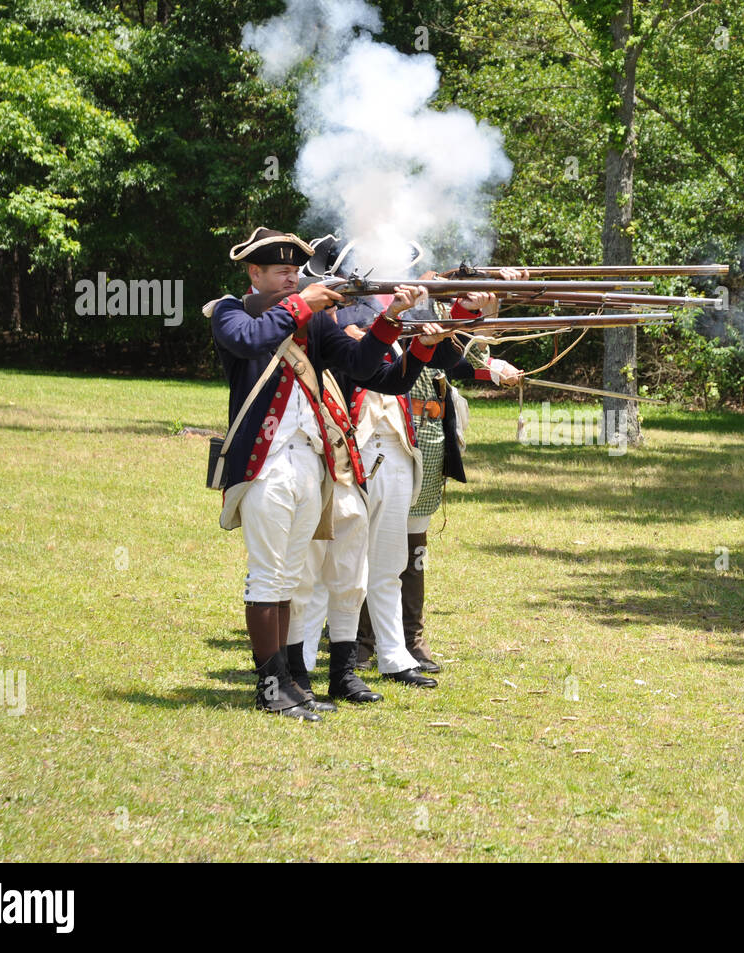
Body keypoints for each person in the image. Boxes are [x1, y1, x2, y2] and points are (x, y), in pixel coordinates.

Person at [207, 226, 449, 721]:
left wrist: (398, 323)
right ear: (255, 273)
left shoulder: (313, 322)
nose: (291, 278)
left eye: (295, 271)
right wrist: (304, 304)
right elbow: (248, 340)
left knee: (293, 579)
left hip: (311, 464)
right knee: (269, 579)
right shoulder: (231, 309)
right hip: (264, 464)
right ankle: (271, 685)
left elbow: (369, 370)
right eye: (281, 271)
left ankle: (293, 681)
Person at [354, 276, 525, 673]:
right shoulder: (362, 311)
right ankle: (362, 640)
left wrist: (489, 356)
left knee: (414, 546)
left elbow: (457, 362)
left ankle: (411, 635)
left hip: (426, 438)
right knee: (368, 543)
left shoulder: (435, 312)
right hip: (376, 438)